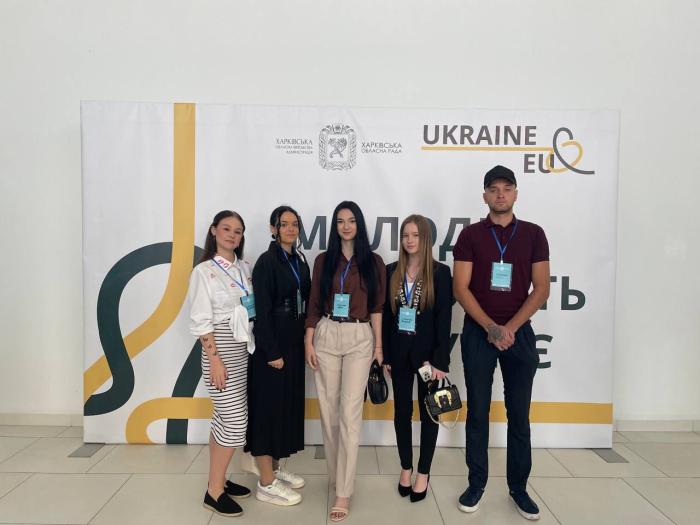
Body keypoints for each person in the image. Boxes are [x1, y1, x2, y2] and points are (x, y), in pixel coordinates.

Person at [453, 165, 550, 521]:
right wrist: (492, 328)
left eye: (506, 188)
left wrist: (509, 328)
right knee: (478, 413)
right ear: (484, 196)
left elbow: (542, 288)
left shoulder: (534, 234)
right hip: (479, 332)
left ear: (515, 194)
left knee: (518, 415)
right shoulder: (470, 235)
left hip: (519, 333)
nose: (500, 194)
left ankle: (518, 488)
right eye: (493, 189)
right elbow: (460, 288)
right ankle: (476, 483)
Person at [304, 201, 386, 522]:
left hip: (359, 336)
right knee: (328, 412)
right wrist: (309, 340)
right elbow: (313, 303)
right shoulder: (323, 261)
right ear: (335, 226)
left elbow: (377, 306)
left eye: (351, 220)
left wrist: (378, 345)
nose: (346, 226)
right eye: (340, 221)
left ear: (359, 224)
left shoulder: (373, 261)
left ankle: (344, 491)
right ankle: (337, 475)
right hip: (326, 332)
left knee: (351, 412)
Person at [188, 210, 256, 517]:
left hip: (242, 349)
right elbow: (202, 321)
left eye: (237, 231)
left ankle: (219, 480)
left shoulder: (244, 267)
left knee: (222, 419)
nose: (232, 235)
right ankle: (213, 493)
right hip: (221, 350)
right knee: (236, 421)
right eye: (226, 229)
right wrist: (214, 360)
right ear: (214, 230)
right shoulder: (203, 271)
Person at [383, 214, 453, 503]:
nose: (409, 240)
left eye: (415, 235)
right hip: (399, 356)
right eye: (405, 235)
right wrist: (386, 356)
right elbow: (387, 318)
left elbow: (444, 320)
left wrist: (440, 362)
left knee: (429, 415)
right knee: (402, 413)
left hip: (428, 360)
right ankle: (406, 467)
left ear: (425, 239)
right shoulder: (391, 271)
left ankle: (423, 472)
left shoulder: (440, 273)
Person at [246, 205, 311, 506]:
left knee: (283, 409)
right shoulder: (266, 262)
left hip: (293, 344)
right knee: (266, 412)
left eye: (294, 224)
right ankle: (265, 483)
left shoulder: (299, 259)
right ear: (273, 229)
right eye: (284, 224)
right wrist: (271, 351)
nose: (290, 229)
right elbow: (260, 310)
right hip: (272, 348)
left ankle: (273, 469)